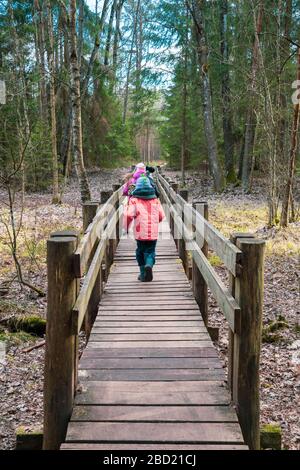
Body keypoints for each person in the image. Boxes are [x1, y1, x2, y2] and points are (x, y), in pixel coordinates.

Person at [123, 174, 165, 282]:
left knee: (140, 252)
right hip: (153, 233)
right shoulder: (155, 200)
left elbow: (128, 215)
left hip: (139, 233)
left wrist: (126, 227)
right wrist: (156, 221)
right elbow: (161, 216)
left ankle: (142, 274)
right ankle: (149, 265)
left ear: (137, 187)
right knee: (150, 251)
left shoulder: (134, 200)